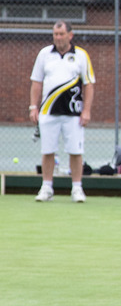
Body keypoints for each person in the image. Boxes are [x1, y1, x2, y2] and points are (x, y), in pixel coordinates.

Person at [29, 20, 95, 202]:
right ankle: (47, 187)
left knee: (75, 151)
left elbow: (89, 85)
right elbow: (36, 81)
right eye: (55, 34)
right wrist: (33, 107)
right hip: (48, 111)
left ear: (70, 35)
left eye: (61, 34)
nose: (58, 38)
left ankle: (77, 189)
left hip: (74, 113)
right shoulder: (44, 54)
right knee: (48, 150)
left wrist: (87, 111)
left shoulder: (81, 55)